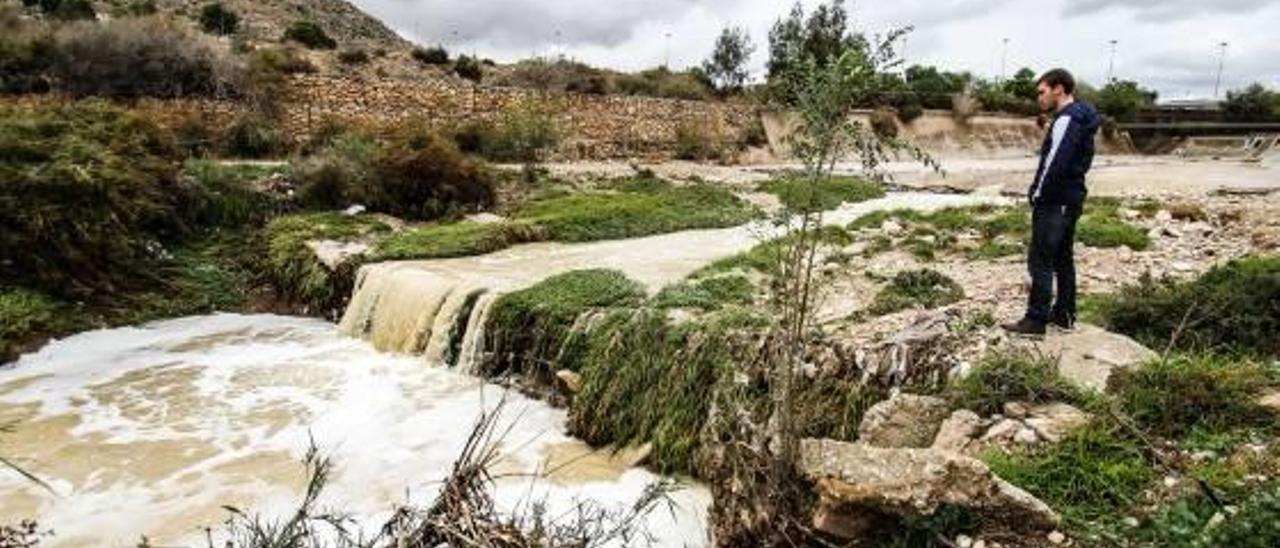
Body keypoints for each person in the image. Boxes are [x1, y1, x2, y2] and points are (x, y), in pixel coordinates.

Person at [1003, 68, 1100, 336]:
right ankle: (1064, 316)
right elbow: (1080, 159)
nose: (1039, 98)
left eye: (1042, 91)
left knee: (1041, 260)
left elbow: (1054, 163)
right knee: (1063, 259)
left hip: (1054, 200)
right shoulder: (1081, 119)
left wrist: (1037, 193)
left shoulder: (1067, 120)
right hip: (1072, 198)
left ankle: (1035, 321)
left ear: (1059, 89)